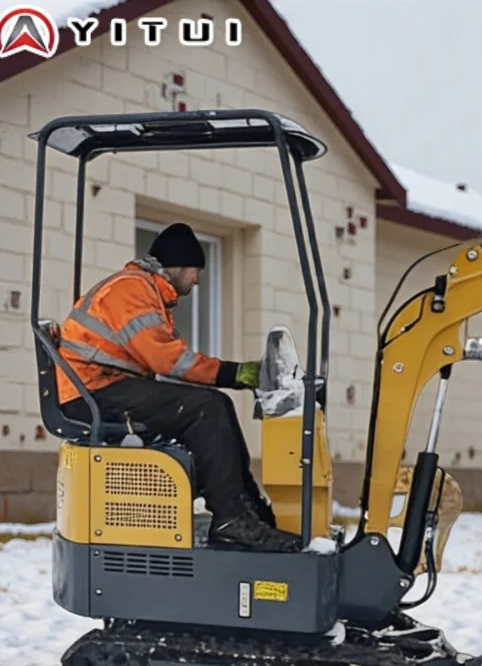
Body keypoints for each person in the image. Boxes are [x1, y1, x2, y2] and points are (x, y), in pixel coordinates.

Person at [56, 222, 302, 553]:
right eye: (195, 271)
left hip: (100, 386)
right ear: (178, 265)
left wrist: (231, 376)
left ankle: (247, 507)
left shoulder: (148, 293)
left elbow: (168, 358)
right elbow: (168, 360)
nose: (197, 280)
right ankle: (231, 518)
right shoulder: (132, 291)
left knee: (215, 405)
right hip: (91, 393)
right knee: (207, 408)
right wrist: (233, 373)